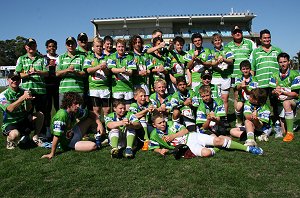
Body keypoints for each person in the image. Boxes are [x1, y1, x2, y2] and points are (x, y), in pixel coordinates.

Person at [149, 112, 263, 157]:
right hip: (188, 146)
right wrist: (160, 151)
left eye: (163, 121)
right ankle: (220, 146)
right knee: (207, 153)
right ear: (154, 125)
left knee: (218, 141)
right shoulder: (154, 135)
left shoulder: (170, 124)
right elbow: (153, 147)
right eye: (160, 123)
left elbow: (186, 130)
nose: (163, 124)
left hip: (192, 136)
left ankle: (248, 149)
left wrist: (173, 136)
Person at [41, 92, 103, 159]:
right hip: (67, 143)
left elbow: (91, 113)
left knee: (90, 119)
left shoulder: (74, 111)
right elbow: (57, 136)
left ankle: (100, 135)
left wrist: (100, 124)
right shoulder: (61, 115)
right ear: (68, 103)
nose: (78, 106)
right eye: (75, 103)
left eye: (78, 103)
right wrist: (52, 153)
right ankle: (97, 139)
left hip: (72, 134)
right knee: (93, 146)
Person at [0, 72, 44, 149]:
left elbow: (28, 109)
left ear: (20, 81)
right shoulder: (3, 95)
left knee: (40, 115)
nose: (15, 81)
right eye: (13, 79)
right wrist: (22, 98)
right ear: (8, 80)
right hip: (10, 123)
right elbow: (9, 109)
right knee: (14, 135)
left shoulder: (24, 91)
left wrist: (28, 101)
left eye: (17, 79)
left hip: (23, 120)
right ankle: (10, 140)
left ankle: (35, 137)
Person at [15, 38, 48, 136]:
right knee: (26, 114)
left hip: (41, 92)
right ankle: (26, 134)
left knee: (41, 113)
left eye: (33, 45)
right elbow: (17, 75)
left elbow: (46, 73)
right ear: (26, 47)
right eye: (29, 45)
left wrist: (37, 72)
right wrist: (28, 74)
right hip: (27, 92)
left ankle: (40, 134)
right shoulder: (21, 59)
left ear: (36, 46)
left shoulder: (42, 58)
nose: (31, 47)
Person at [251, 29, 282, 126]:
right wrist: (253, 83)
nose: (267, 39)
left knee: (275, 105)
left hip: (274, 84)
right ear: (260, 39)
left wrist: (279, 83)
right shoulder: (256, 52)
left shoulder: (277, 50)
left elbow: (282, 67)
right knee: (261, 105)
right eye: (264, 38)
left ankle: (277, 123)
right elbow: (253, 69)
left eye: (268, 37)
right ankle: (263, 125)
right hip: (261, 83)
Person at [269, 52, 300, 142]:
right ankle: (290, 126)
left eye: (285, 61)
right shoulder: (274, 75)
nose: (283, 64)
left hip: (292, 101)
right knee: (283, 131)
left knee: (286, 103)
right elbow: (272, 91)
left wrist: (283, 92)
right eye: (281, 62)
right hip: (279, 102)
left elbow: (295, 94)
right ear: (278, 63)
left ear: (289, 62)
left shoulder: (295, 74)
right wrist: (275, 91)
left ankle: (290, 133)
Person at [226, 26, 256, 113]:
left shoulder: (249, 43)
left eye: (239, 32)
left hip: (248, 74)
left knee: (250, 94)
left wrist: (252, 71)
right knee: (237, 96)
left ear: (242, 33)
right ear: (232, 34)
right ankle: (238, 119)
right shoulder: (228, 46)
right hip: (234, 75)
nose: (237, 33)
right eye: (235, 32)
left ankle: (249, 115)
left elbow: (254, 58)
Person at [84, 37, 111, 125]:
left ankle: (107, 128)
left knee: (107, 110)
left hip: (105, 88)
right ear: (93, 47)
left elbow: (109, 73)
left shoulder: (107, 58)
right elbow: (88, 70)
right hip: (94, 88)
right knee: (96, 110)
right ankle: (98, 128)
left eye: (100, 46)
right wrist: (99, 66)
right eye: (97, 46)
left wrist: (105, 69)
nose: (99, 48)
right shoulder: (89, 57)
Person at [210, 33, 234, 126]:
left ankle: (224, 118)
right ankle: (216, 118)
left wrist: (224, 59)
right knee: (216, 98)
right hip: (215, 77)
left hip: (225, 77)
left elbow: (231, 61)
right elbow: (211, 64)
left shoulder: (227, 50)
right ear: (213, 42)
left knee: (225, 99)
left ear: (221, 41)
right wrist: (216, 62)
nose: (217, 42)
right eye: (215, 40)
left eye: (219, 40)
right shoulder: (211, 52)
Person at [107, 38, 136, 110]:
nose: (121, 48)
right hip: (117, 88)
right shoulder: (112, 57)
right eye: (119, 46)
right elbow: (112, 69)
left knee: (128, 110)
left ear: (125, 47)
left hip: (128, 88)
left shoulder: (130, 57)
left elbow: (131, 72)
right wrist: (122, 70)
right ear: (116, 47)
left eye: (122, 46)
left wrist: (124, 71)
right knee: (118, 110)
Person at [56, 37, 86, 106]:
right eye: (68, 44)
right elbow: (57, 73)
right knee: (64, 113)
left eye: (72, 43)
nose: (70, 45)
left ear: (76, 44)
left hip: (78, 90)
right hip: (64, 90)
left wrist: (75, 72)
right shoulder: (60, 57)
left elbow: (84, 73)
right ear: (65, 45)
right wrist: (67, 70)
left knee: (78, 114)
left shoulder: (82, 57)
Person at [234, 60, 258, 127]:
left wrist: (244, 88)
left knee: (249, 112)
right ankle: (239, 121)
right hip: (241, 99)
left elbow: (251, 92)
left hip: (251, 100)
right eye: (243, 69)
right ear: (241, 70)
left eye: (247, 69)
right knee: (238, 106)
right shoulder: (238, 77)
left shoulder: (254, 79)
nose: (245, 71)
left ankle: (250, 122)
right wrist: (240, 86)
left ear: (250, 69)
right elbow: (237, 87)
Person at [44, 39, 60, 138]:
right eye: (49, 46)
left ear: (56, 47)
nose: (51, 48)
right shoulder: (43, 58)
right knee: (47, 109)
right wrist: (48, 67)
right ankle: (47, 129)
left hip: (58, 86)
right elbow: (42, 71)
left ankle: (58, 127)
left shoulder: (59, 58)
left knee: (59, 109)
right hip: (47, 87)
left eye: (53, 46)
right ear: (46, 48)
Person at [129, 35, 151, 100]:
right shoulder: (130, 55)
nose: (137, 44)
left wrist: (147, 72)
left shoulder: (145, 55)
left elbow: (150, 69)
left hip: (144, 84)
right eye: (135, 43)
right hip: (134, 84)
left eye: (139, 42)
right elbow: (130, 71)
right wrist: (139, 73)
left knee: (146, 101)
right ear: (132, 44)